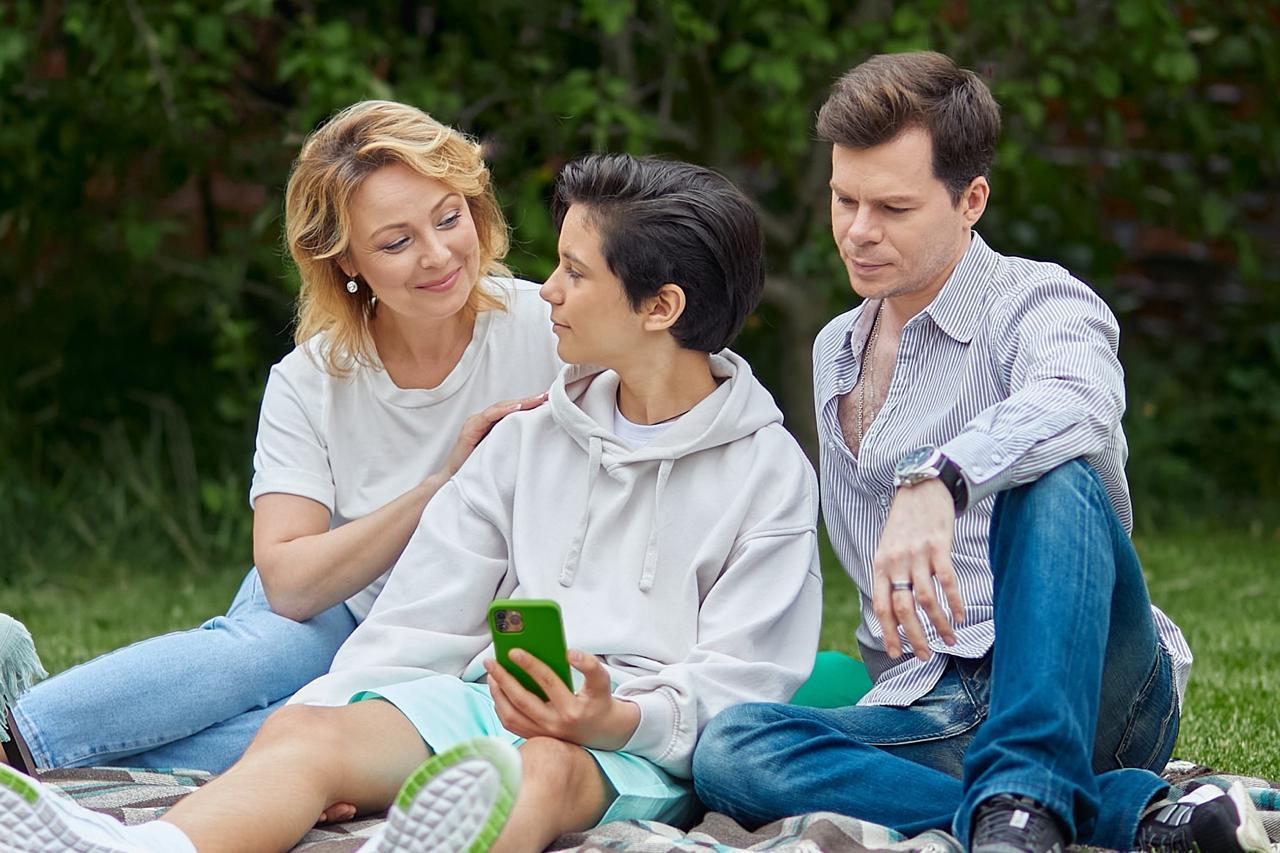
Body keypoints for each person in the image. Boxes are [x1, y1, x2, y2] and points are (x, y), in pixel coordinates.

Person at [0, 153, 824, 853]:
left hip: (633, 738)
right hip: (483, 700)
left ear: (661, 307)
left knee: (539, 769)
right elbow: (419, 617)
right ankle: (139, 846)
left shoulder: (768, 473)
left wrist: (613, 716)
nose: (548, 290)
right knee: (307, 728)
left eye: (575, 272)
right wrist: (327, 718)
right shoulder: (527, 438)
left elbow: (742, 683)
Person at [692, 51, 1268, 853]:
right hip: (935, 704)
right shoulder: (835, 350)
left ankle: (1028, 798)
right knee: (731, 750)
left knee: (1054, 473)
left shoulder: (1040, 302)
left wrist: (943, 477)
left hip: (1088, 679)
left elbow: (1078, 398)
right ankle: (1103, 813)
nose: (858, 231)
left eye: (893, 207)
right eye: (845, 199)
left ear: (972, 200)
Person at [0, 100, 562, 775]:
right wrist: (441, 485)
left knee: (306, 732)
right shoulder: (310, 378)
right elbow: (291, 584)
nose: (438, 254)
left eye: (449, 218)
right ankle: (17, 737)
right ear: (345, 260)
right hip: (337, 601)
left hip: (462, 628)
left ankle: (48, 757)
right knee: (261, 651)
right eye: (396, 242)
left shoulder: (552, 330)